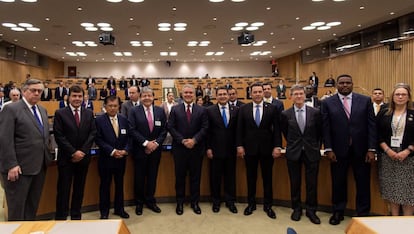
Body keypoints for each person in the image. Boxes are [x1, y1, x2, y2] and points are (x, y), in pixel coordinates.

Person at [321, 74, 376, 225]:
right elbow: (325, 128)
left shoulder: (365, 101)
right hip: (338, 151)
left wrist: (371, 148)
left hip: (362, 150)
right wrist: (328, 148)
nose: (345, 85)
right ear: (336, 85)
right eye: (341, 83)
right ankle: (338, 212)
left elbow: (372, 126)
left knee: (363, 183)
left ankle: (363, 213)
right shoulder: (327, 103)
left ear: (353, 84)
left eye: (348, 83)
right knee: (338, 183)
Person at [0, 79, 53, 221]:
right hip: (19, 169)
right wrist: (11, 164)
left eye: (39, 91)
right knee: (17, 209)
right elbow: (5, 139)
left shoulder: (42, 110)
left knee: (32, 207)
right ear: (24, 91)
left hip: (39, 166)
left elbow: (43, 137)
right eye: (33, 90)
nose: (37, 93)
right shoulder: (11, 109)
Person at [236, 82, 282, 219]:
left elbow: (277, 130)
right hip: (249, 150)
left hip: (267, 150)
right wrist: (239, 145)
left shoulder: (272, 108)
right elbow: (239, 129)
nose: (257, 94)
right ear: (250, 94)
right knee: (251, 178)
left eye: (259, 92)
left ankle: (268, 205)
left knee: (267, 179)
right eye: (254, 92)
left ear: (263, 93)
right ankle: (251, 204)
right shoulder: (243, 108)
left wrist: (277, 146)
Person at [280, 85, 322, 224]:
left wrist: (314, 146)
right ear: (291, 96)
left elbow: (319, 132)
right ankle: (296, 209)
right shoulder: (285, 114)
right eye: (296, 94)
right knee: (295, 182)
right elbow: (285, 132)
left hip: (311, 152)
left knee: (312, 183)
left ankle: (311, 210)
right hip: (293, 152)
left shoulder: (315, 112)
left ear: (305, 96)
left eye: (301, 93)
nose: (298, 96)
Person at [54, 85, 97, 220]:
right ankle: (61, 219)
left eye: (79, 96)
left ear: (83, 97)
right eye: (74, 96)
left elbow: (92, 133)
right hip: (67, 159)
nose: (77, 99)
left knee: (79, 189)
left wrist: (82, 152)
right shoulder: (60, 113)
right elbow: (59, 136)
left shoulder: (89, 113)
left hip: (83, 159)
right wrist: (73, 152)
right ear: (68, 97)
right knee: (63, 191)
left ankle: (76, 217)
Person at [168, 84, 209, 215]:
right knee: (179, 177)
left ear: (195, 94)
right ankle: (179, 203)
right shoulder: (175, 109)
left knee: (195, 178)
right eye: (186, 93)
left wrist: (194, 140)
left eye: (190, 93)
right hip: (180, 149)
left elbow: (205, 128)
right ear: (181, 94)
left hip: (196, 149)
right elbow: (171, 127)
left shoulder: (202, 110)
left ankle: (194, 203)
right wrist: (182, 140)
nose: (188, 95)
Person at [376, 83, 414, 216]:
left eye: (404, 94)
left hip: (409, 158)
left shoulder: (413, 112)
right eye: (397, 94)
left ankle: (407, 222)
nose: (400, 97)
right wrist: (387, 150)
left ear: (408, 97)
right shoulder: (384, 111)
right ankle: (394, 219)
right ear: (392, 96)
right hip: (388, 157)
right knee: (392, 190)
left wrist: (408, 150)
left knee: (408, 192)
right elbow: (377, 134)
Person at [129, 87, 167, 216]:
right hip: (140, 150)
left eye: (149, 95)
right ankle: (139, 203)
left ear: (153, 97)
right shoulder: (134, 111)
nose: (147, 98)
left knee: (152, 177)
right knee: (139, 178)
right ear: (140, 97)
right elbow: (132, 129)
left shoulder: (160, 111)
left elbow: (164, 130)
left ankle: (150, 201)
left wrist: (155, 144)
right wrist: (146, 143)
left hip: (155, 151)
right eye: (144, 95)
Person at [95, 95, 130, 219]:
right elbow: (98, 139)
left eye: (115, 106)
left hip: (121, 159)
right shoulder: (99, 120)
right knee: (105, 186)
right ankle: (104, 212)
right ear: (105, 107)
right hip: (106, 159)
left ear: (119, 106)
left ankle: (119, 209)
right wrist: (112, 151)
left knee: (119, 185)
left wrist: (125, 150)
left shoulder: (124, 119)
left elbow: (129, 137)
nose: (113, 108)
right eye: (110, 106)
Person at [206, 87, 238, 214]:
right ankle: (216, 201)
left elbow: (238, 130)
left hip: (231, 150)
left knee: (230, 177)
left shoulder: (236, 110)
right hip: (215, 150)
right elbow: (207, 131)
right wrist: (208, 147)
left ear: (228, 96)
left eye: (225, 94)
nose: (223, 96)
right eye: (220, 94)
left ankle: (230, 201)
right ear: (216, 96)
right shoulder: (209, 111)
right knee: (215, 177)